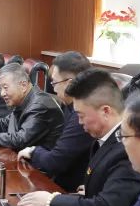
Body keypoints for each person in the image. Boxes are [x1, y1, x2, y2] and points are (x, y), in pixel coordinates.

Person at [18, 69, 140, 206]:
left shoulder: (128, 147)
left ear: (105, 111)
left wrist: (51, 201)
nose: (79, 122)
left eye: (81, 115)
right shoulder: (104, 139)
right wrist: (91, 190)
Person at [18, 51, 93, 191]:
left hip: (69, 190)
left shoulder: (82, 115)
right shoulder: (70, 106)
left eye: (55, 82)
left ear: (70, 83)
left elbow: (55, 162)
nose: (52, 88)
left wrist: (33, 152)